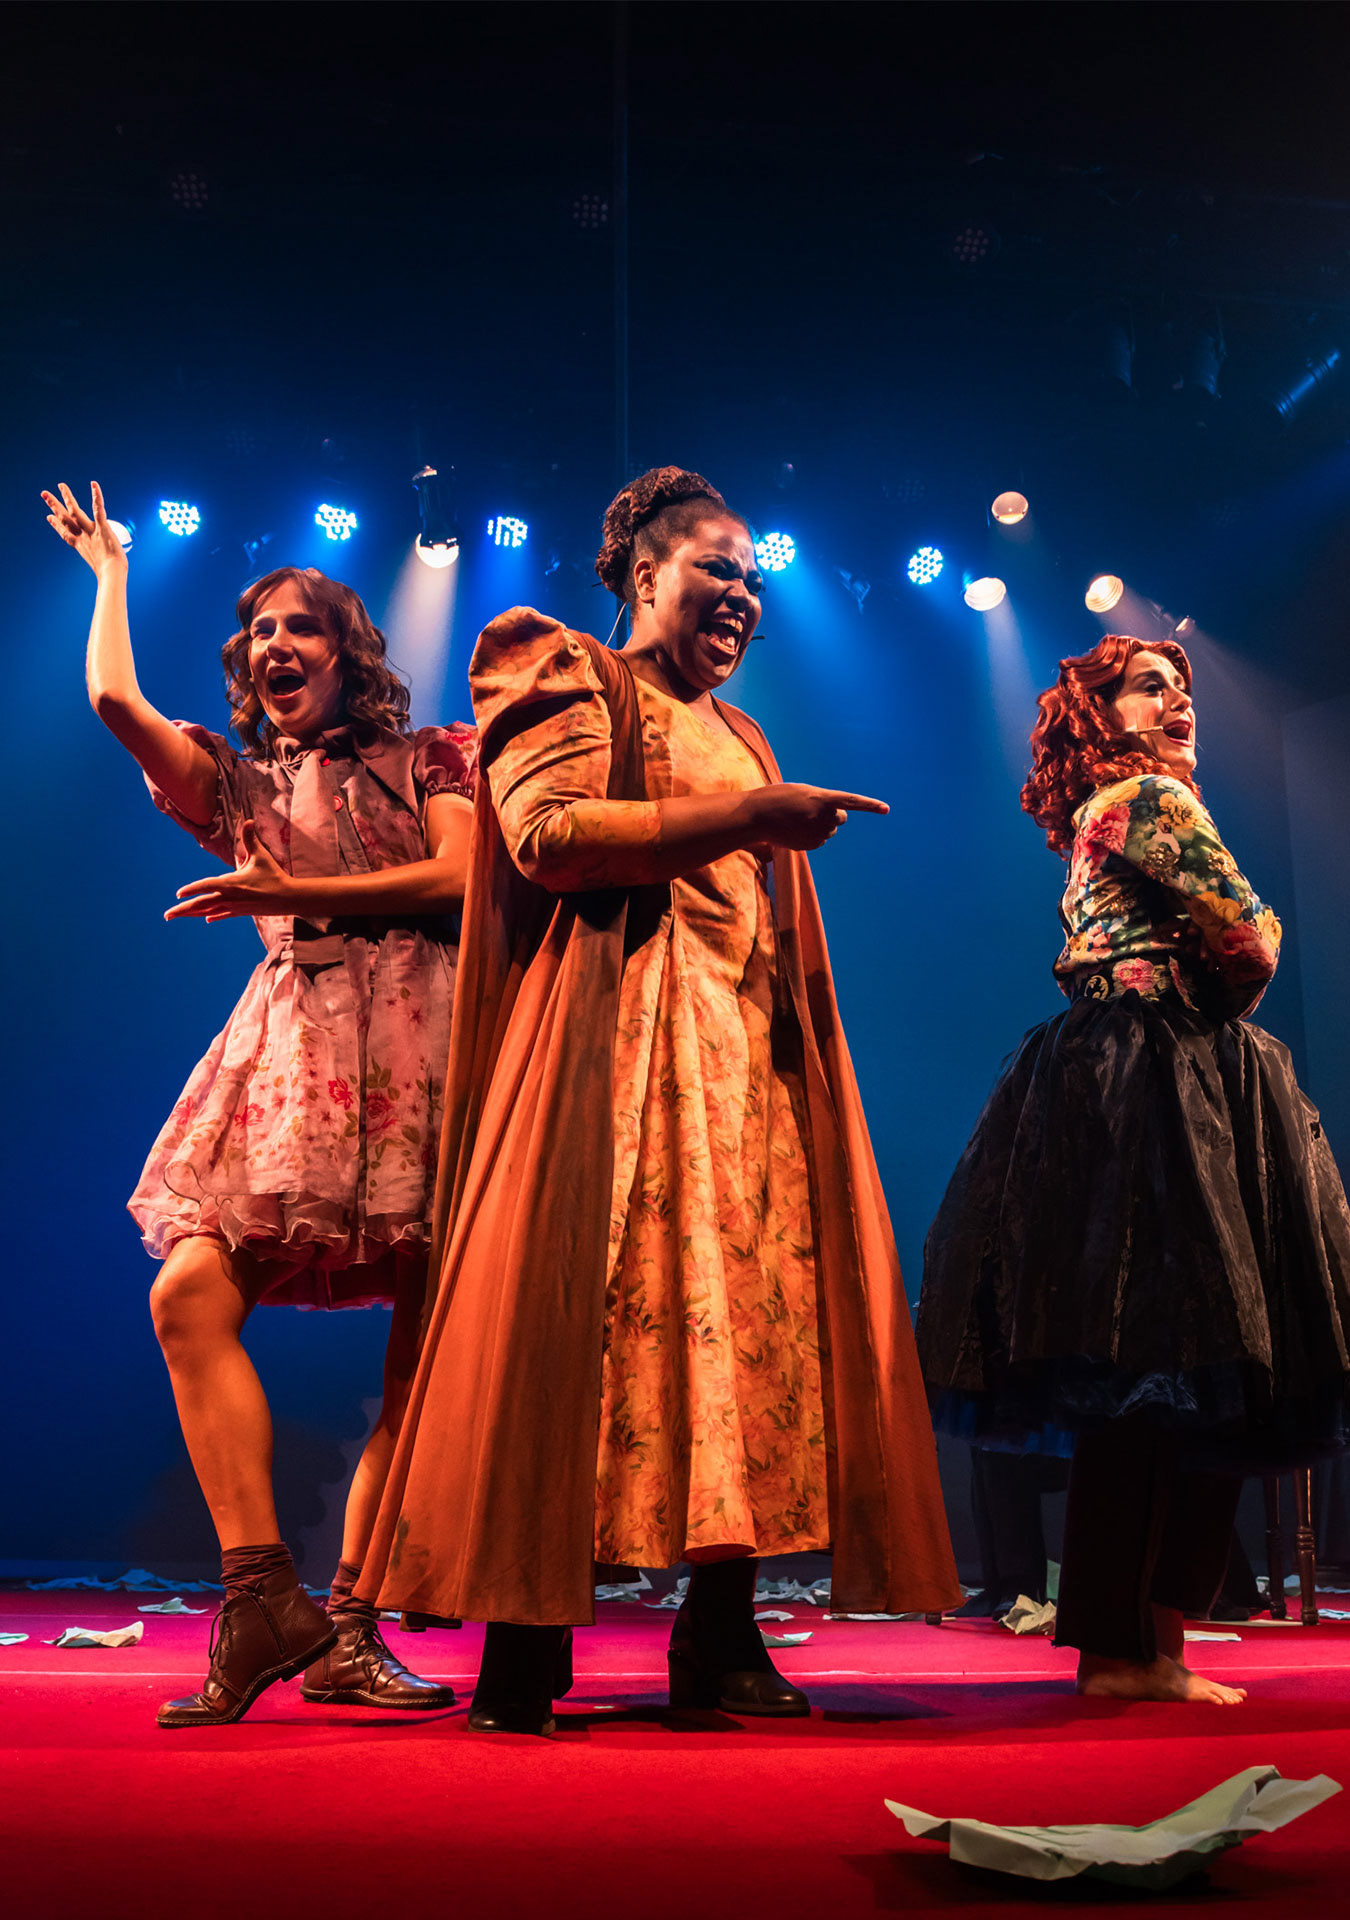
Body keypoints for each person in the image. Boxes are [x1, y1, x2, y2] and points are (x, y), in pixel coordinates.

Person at [357, 465, 961, 1732]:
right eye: (717, 569)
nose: (744, 596)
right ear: (645, 573)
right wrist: (751, 814)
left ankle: (722, 1634)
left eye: (755, 580)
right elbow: (546, 835)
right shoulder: (569, 671)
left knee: (737, 1335)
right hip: (613, 1055)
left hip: (740, 1069)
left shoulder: (742, 731)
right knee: (577, 1322)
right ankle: (525, 1645)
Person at [43, 481, 476, 1727]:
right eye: (260, 633)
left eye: (302, 627)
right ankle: (261, 1597)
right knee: (185, 1296)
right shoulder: (238, 786)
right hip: (292, 1059)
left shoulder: (429, 756)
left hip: (423, 1050)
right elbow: (116, 705)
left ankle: (351, 1626)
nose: (275, 645)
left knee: (422, 1351)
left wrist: (299, 897)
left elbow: (461, 878)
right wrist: (112, 572)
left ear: (350, 652)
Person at [917, 632, 1350, 1703]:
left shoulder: (1101, 811)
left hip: (1124, 1071)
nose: (1178, 701)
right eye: (1149, 687)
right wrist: (1238, 957)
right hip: (1161, 1077)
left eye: (1182, 685)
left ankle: (1142, 1648)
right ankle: (1126, 1649)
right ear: (1098, 715)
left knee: (1160, 1374)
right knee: (1181, 1366)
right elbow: (1250, 942)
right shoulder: (1152, 798)